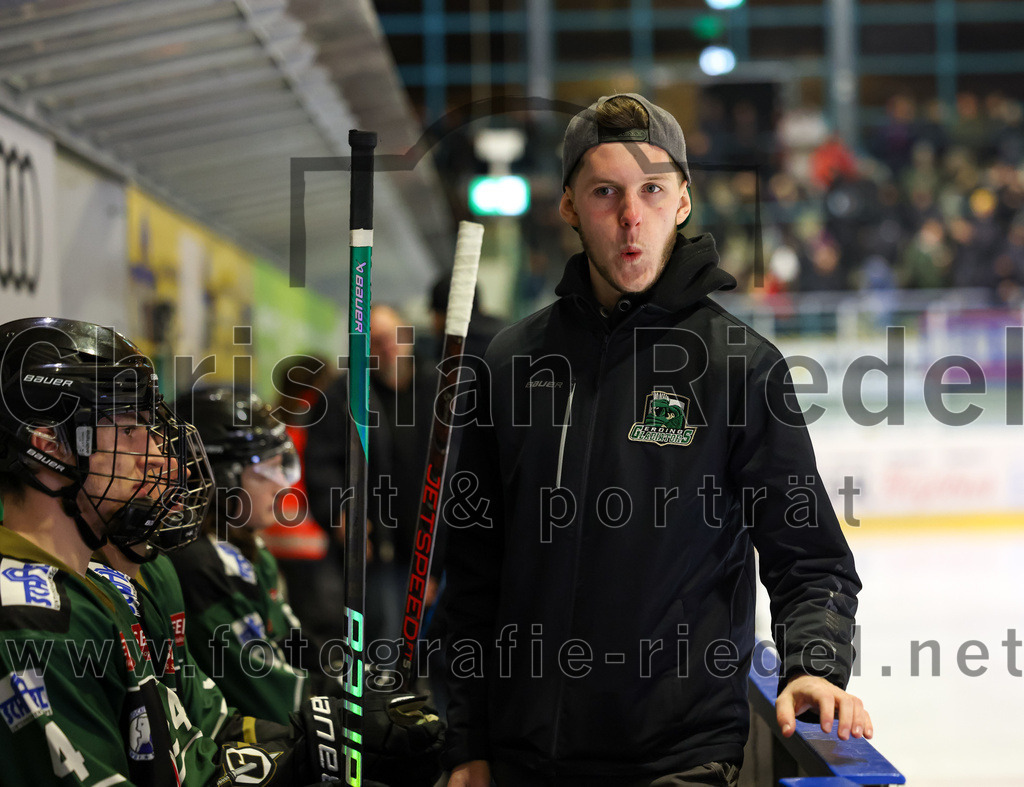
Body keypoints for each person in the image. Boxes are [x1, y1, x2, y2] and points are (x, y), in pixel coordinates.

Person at [442, 94, 871, 787]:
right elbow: (471, 580)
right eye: (605, 192)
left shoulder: (740, 366)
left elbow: (812, 560)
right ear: (570, 207)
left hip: (676, 762)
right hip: (524, 760)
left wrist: (812, 667)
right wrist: (467, 739)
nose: (630, 216)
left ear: (682, 203)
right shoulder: (514, 363)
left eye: (651, 190)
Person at [0, 316, 218, 784]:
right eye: (130, 429)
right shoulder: (27, 623)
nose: (162, 458)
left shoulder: (106, 588)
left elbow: (185, 761)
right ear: (49, 444)